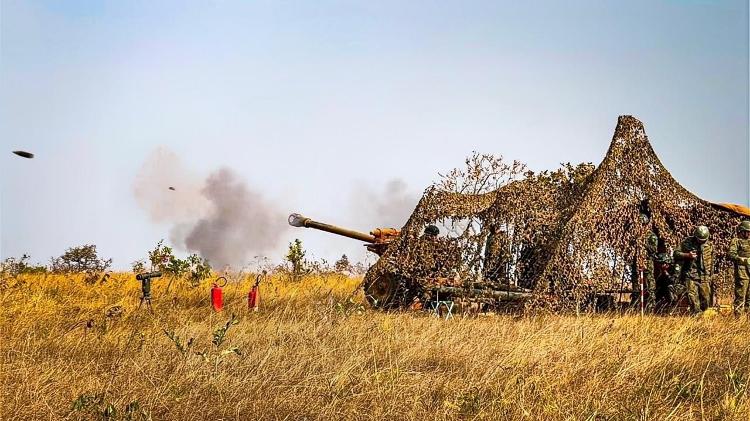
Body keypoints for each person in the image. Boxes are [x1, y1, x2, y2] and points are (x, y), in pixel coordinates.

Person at [673, 225, 714, 314]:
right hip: (690, 275)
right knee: (694, 302)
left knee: (706, 301)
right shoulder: (687, 242)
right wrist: (687, 255)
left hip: (704, 277)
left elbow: (712, 262)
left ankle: (701, 314)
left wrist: (711, 276)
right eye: (699, 240)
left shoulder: (710, 245)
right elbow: (676, 253)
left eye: (703, 240)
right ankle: (696, 319)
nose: (701, 242)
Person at [728, 220, 750, 315]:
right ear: (742, 231)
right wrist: (743, 260)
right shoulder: (736, 241)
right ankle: (738, 321)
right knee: (740, 298)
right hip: (742, 274)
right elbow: (731, 254)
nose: (748, 234)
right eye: (747, 232)